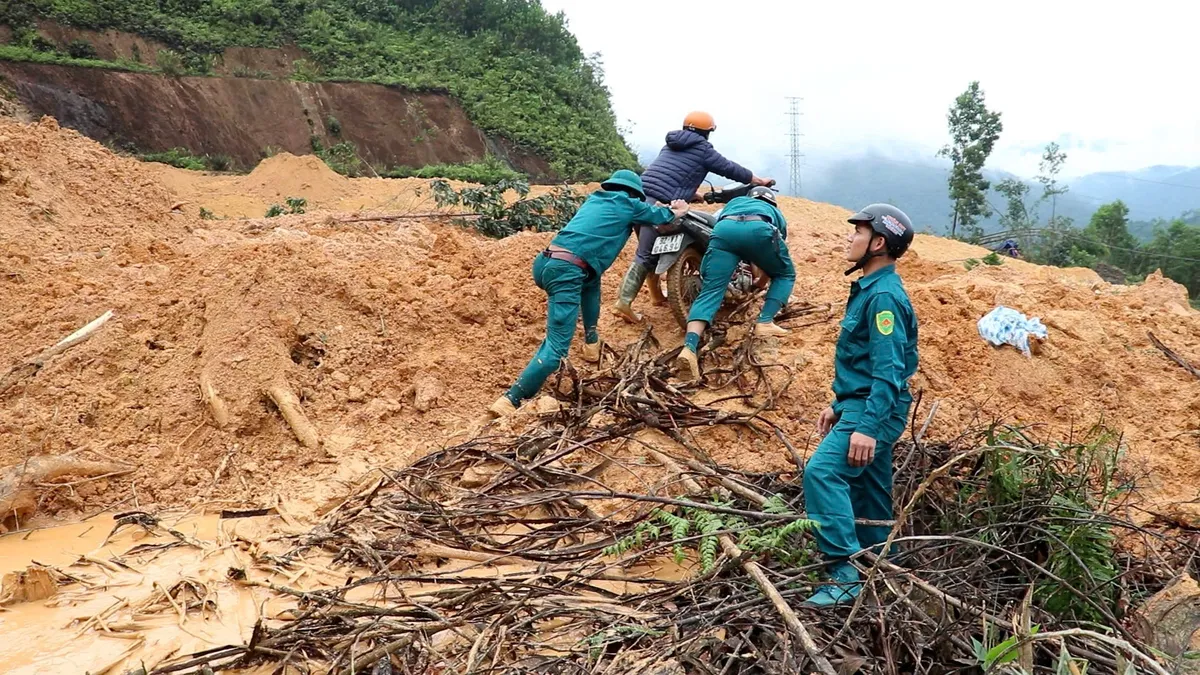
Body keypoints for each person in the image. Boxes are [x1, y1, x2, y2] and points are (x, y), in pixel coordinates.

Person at [488, 170, 688, 418]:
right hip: (567, 271)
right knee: (557, 347)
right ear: (635, 194)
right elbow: (665, 216)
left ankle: (591, 342)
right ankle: (511, 399)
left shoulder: (596, 199)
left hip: (547, 262)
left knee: (592, 282)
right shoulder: (628, 203)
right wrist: (679, 208)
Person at [801, 203, 919, 607]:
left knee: (821, 473)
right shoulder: (871, 290)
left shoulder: (883, 298)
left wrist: (867, 426)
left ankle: (844, 573)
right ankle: (883, 562)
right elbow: (864, 363)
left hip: (875, 409)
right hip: (861, 404)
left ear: (879, 243)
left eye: (859, 232)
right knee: (870, 488)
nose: (851, 238)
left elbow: (889, 371)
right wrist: (839, 404)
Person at [611, 111, 774, 324]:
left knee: (650, 249)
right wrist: (758, 180)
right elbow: (729, 168)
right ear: (706, 132)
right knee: (645, 254)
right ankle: (623, 302)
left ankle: (656, 295)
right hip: (661, 202)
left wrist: (691, 194)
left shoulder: (670, 145)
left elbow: (673, 174)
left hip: (640, 197)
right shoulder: (703, 149)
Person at [672, 186, 794, 381]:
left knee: (710, 291)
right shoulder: (775, 212)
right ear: (772, 203)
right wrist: (760, 283)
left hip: (724, 230)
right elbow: (770, 262)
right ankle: (765, 321)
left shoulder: (735, 203)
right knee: (785, 274)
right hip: (759, 230)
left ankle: (689, 347)